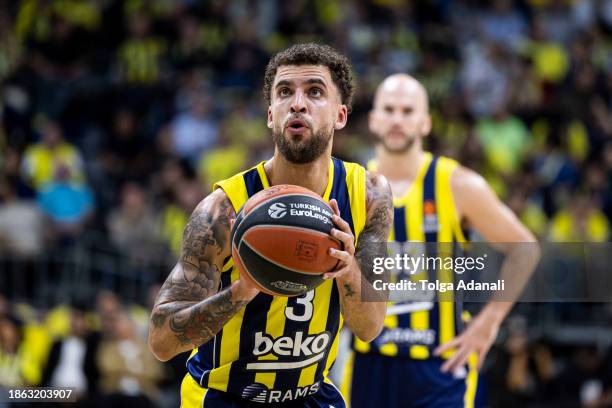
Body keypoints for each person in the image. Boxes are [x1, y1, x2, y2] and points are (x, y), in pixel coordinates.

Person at [148, 43, 393, 407]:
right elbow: (162, 342)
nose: (297, 103)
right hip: (223, 397)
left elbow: (370, 327)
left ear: (340, 115)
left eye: (314, 91)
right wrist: (240, 291)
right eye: (284, 92)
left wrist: (347, 269)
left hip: (311, 396)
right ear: (270, 115)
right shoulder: (223, 211)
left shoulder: (370, 195)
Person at [344, 74, 539, 407]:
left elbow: (525, 248)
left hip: (440, 365)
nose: (397, 119)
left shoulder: (457, 184)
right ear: (374, 120)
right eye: (389, 110)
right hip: (369, 362)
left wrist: (488, 323)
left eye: (408, 111)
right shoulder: (351, 184)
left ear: (426, 123)